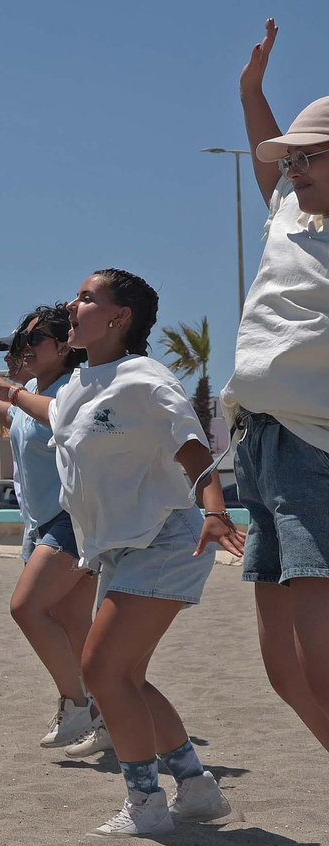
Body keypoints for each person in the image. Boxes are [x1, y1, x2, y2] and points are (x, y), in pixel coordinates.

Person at [51, 269, 244, 836]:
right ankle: (197, 788)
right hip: (120, 548)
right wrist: (5, 390)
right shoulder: (78, 385)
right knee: (125, 675)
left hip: (164, 536)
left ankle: (146, 804)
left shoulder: (143, 376)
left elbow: (188, 441)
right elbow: (57, 418)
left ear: (119, 317)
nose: (73, 303)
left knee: (101, 670)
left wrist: (214, 508)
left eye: (86, 297)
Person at [223, 19, 329, 752]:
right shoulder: (288, 207)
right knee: (285, 669)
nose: (291, 172)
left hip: (314, 441)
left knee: (320, 662)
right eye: (288, 161)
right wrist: (251, 90)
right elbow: (274, 160)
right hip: (259, 439)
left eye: (308, 159)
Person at [0, 306, 101, 748]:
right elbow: (13, 419)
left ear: (66, 346)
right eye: (15, 346)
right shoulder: (29, 393)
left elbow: (54, 417)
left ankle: (77, 703)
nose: (18, 353)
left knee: (26, 608)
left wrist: (7, 390)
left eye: (31, 344)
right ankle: (105, 714)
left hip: (72, 518)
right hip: (43, 521)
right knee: (71, 621)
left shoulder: (72, 390)